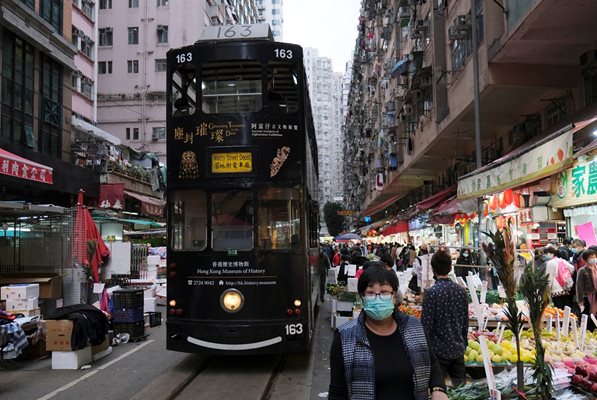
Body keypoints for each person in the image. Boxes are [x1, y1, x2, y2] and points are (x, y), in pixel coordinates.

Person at [329, 267, 448, 400]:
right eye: (370, 293)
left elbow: (431, 361)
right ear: (362, 297)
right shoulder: (345, 337)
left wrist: (438, 388)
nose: (378, 298)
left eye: (384, 292)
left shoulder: (414, 327)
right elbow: (337, 391)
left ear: (394, 296)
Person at [422, 250, 469, 388]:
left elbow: (426, 326)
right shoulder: (461, 291)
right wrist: (463, 342)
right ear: (450, 267)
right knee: (461, 390)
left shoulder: (431, 293)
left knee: (439, 390)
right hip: (458, 349)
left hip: (438, 352)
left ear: (433, 269)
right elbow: (465, 322)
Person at [576, 249, 597, 331]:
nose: (593, 259)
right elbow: (579, 287)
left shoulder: (596, 268)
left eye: (595, 257)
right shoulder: (582, 270)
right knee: (588, 315)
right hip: (587, 297)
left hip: (596, 296)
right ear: (586, 259)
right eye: (591, 257)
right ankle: (588, 331)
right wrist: (580, 302)